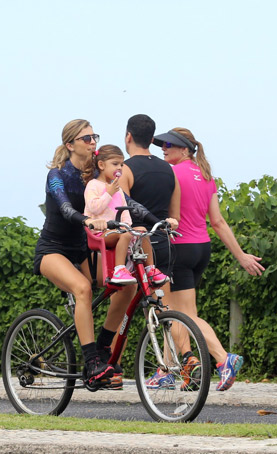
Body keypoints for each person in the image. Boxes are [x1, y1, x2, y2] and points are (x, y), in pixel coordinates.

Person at [149, 127, 264, 391]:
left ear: (186, 149)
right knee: (175, 310)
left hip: (178, 248)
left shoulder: (171, 173)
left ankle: (224, 359)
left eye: (170, 144)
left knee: (179, 312)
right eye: (162, 144)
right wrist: (240, 255)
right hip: (201, 248)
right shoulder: (206, 175)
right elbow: (218, 222)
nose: (164, 148)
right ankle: (168, 370)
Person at [34, 119, 139, 387]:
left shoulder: (95, 177)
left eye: (94, 137)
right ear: (70, 145)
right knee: (82, 288)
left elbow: (125, 200)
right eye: (86, 138)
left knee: (126, 285)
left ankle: (103, 349)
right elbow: (65, 207)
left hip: (84, 249)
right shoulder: (57, 175)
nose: (93, 142)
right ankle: (91, 361)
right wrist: (86, 220)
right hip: (52, 250)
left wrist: (156, 218)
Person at [108, 114, 182, 389]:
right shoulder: (169, 170)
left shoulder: (124, 170)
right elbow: (174, 215)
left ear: (128, 136)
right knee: (165, 309)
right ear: (152, 139)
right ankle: (169, 367)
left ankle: (111, 366)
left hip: (136, 245)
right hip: (163, 242)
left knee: (120, 307)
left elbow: (123, 213)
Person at [83, 144, 168, 286]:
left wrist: (129, 227)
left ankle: (150, 269)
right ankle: (119, 269)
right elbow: (94, 207)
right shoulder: (93, 185)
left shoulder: (118, 190)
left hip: (118, 231)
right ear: (101, 165)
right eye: (115, 164)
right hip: (99, 233)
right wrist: (108, 193)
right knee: (126, 235)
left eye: (121, 164)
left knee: (142, 231)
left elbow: (124, 211)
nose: (119, 168)